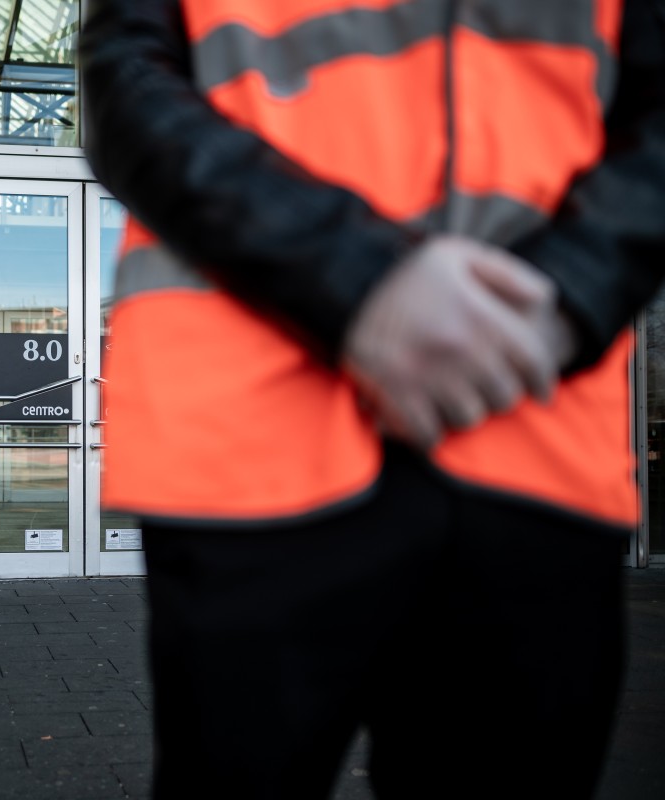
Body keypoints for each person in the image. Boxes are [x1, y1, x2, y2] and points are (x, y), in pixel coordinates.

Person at [79, 2, 665, 798]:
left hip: (525, 428)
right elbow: (125, 84)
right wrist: (358, 281)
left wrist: (570, 293)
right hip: (273, 439)